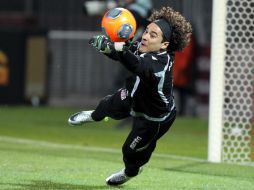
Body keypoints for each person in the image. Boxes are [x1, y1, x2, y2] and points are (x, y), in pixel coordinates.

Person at [68, 6, 192, 186]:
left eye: (153, 35)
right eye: (147, 31)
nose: (145, 36)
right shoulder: (144, 48)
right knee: (106, 105)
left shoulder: (160, 64)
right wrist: (106, 47)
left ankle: (131, 171)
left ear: (164, 45)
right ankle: (93, 116)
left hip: (154, 118)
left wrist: (117, 47)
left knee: (131, 151)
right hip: (133, 98)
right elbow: (123, 53)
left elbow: (136, 64)